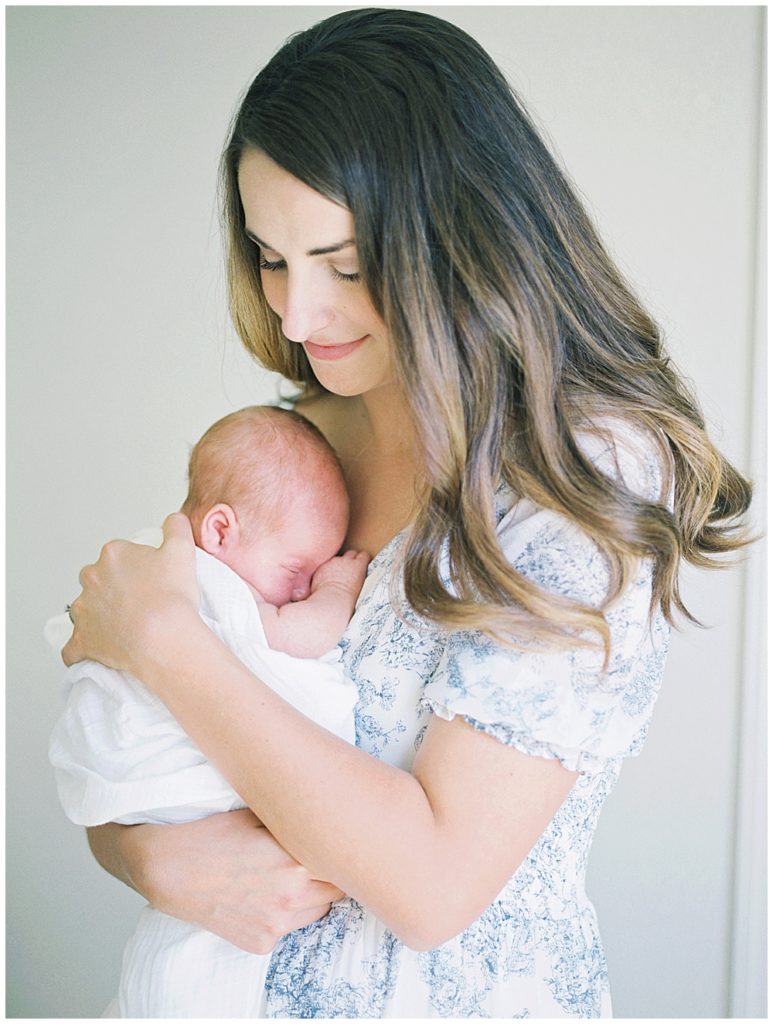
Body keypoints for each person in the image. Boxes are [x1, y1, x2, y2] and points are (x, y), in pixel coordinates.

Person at [62, 8, 752, 1018]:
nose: (297, 316)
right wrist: (151, 860)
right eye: (270, 258)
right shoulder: (287, 448)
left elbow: (431, 886)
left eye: (343, 264)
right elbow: (138, 739)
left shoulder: (578, 470)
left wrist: (166, 639)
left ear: (461, 231)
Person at [49, 405, 367, 1017]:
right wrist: (337, 591)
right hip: (183, 794)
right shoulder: (204, 581)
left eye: (311, 577)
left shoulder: (179, 564)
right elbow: (300, 634)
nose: (302, 587)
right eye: (297, 569)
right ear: (220, 531)